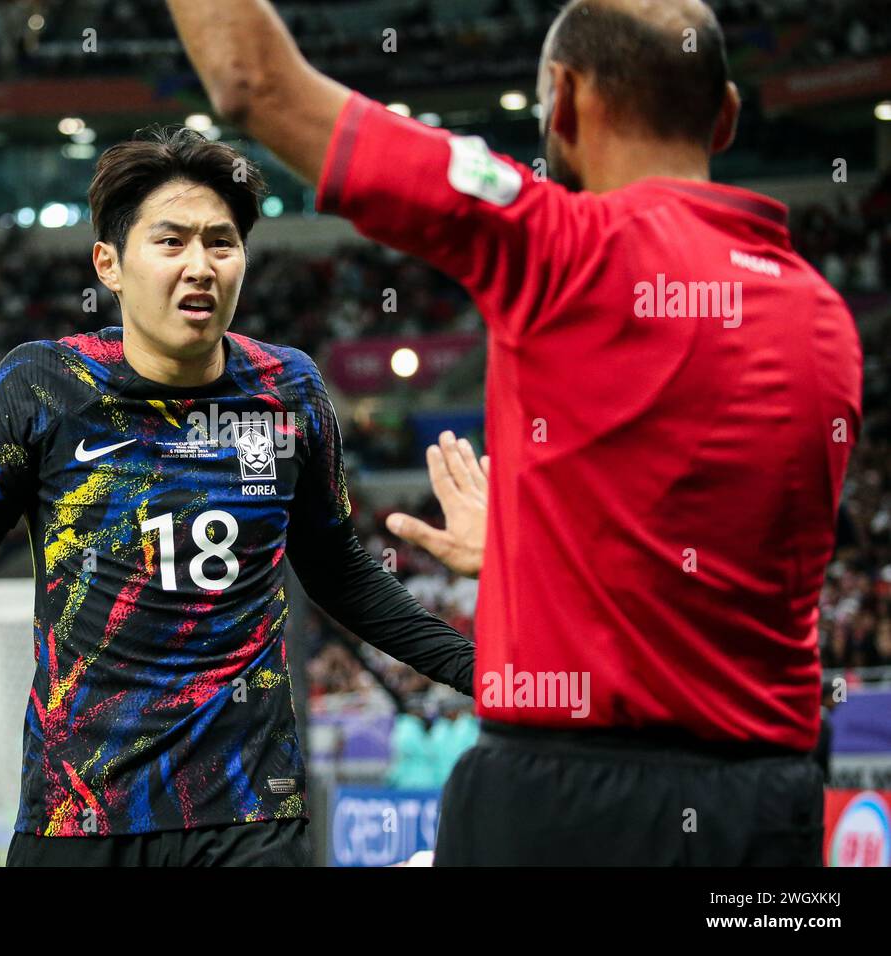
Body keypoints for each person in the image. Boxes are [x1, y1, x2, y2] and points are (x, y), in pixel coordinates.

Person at [168, 0, 863, 865]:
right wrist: (533, 555)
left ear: (563, 104)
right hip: (773, 810)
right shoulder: (824, 316)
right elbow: (708, 566)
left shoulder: (553, 241)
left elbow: (255, 83)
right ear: (723, 113)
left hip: (563, 802)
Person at [0, 128, 475, 867]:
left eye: (222, 242)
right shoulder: (41, 386)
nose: (201, 265)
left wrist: (481, 669)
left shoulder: (290, 391)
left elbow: (340, 569)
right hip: (79, 809)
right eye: (171, 242)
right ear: (109, 263)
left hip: (247, 810)